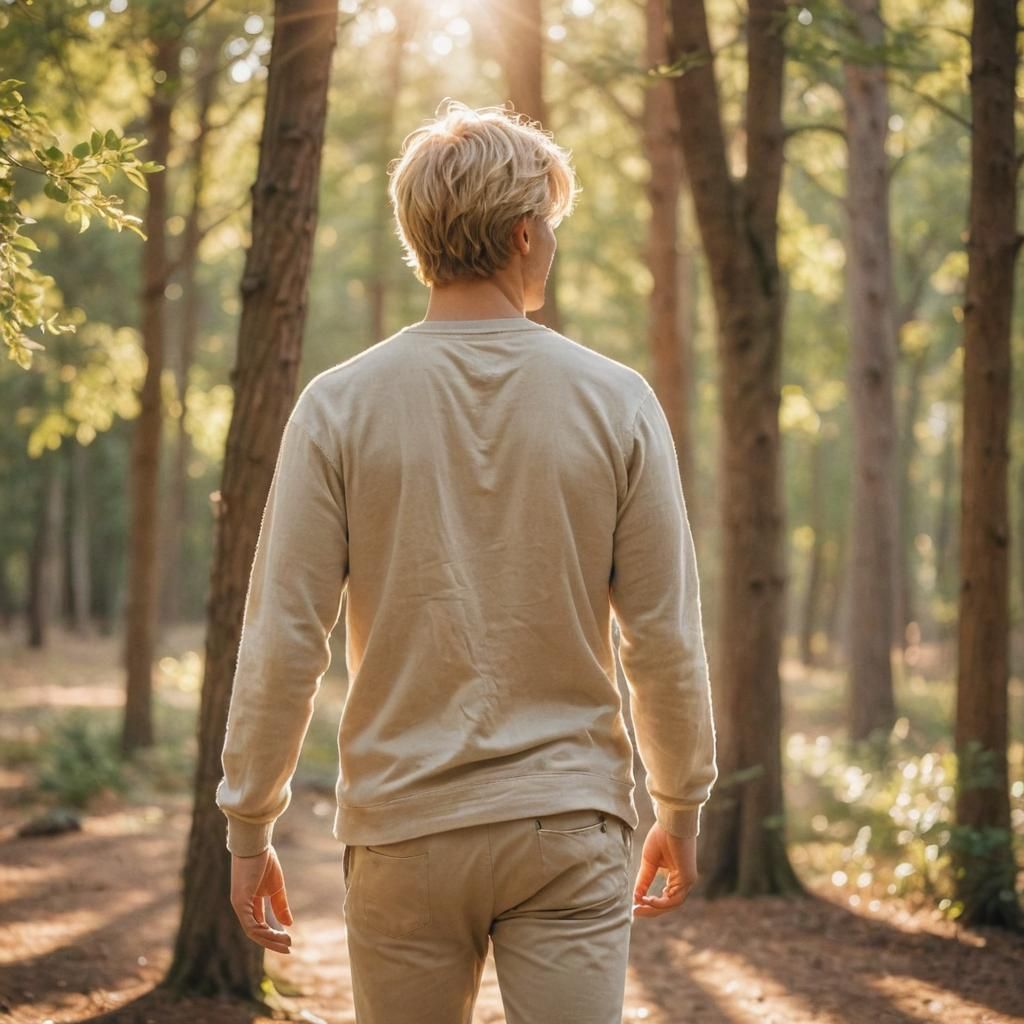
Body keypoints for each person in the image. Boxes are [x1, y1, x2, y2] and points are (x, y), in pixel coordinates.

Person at [216, 98, 718, 1024]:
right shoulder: (618, 401)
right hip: (567, 826)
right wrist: (680, 802)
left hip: (404, 829)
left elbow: (286, 633)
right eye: (553, 230)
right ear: (525, 236)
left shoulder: (338, 406)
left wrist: (251, 823)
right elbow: (662, 635)